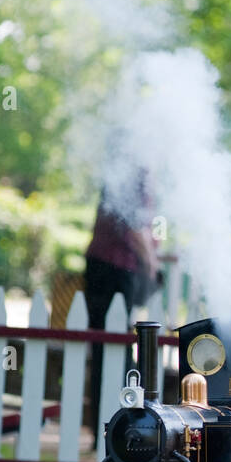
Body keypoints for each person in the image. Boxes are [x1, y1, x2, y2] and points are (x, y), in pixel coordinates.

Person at [84, 180, 162, 431]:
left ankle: (104, 424)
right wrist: (151, 262)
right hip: (116, 268)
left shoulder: (125, 167)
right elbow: (134, 224)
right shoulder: (134, 171)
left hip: (106, 266)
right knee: (116, 347)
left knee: (106, 346)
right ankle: (116, 425)